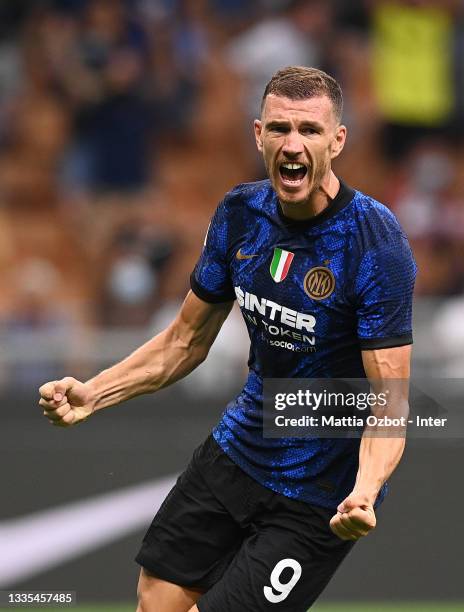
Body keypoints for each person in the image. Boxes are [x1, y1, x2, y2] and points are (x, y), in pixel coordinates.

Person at [38, 66, 416, 612]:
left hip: (321, 495)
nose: (294, 144)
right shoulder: (241, 213)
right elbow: (184, 341)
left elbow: (390, 400)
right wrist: (94, 392)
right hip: (238, 451)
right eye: (280, 129)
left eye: (310, 130)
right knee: (154, 603)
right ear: (257, 134)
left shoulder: (374, 244)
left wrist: (364, 487)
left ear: (338, 141)